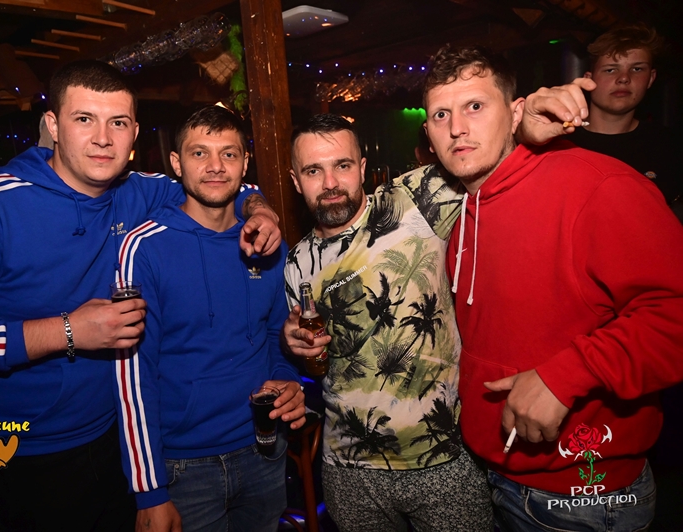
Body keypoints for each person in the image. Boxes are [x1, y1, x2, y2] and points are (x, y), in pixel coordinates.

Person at [0, 60, 281, 531]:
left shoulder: (136, 192)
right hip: (13, 454)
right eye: (84, 119)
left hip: (113, 443)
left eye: (118, 123)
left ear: (134, 133)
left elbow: (223, 183)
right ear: (53, 125)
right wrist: (66, 331)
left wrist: (262, 211)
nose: (102, 139)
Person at [421, 44, 683, 531]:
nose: (457, 127)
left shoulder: (598, 186)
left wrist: (568, 375)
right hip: (493, 474)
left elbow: (674, 315)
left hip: (586, 496)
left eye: (475, 106)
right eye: (441, 114)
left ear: (515, 111)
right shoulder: (461, 209)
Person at [281, 114, 492, 532]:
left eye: (342, 165)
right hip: (348, 468)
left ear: (362, 168)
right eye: (313, 171)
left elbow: (488, 155)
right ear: (295, 180)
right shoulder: (297, 263)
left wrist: (531, 116)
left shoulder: (413, 201)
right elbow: (320, 364)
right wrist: (297, 347)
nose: (330, 183)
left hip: (442, 455)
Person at [113, 106, 305, 532]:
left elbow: (278, 334)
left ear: (244, 163)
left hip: (264, 450)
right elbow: (133, 375)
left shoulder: (267, 242)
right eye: (199, 153)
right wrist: (150, 491)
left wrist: (287, 379)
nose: (216, 166)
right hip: (184, 468)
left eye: (228, 154)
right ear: (177, 163)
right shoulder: (144, 248)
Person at [521, 24, 681, 214]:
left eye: (637, 69)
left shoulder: (671, 147)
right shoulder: (555, 138)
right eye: (610, 70)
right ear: (590, 78)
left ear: (651, 78)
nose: (624, 78)